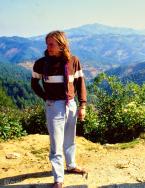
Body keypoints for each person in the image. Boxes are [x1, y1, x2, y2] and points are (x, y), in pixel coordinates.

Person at [31, 31, 87, 188]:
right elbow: (34, 83)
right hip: (54, 105)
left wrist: (82, 105)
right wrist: (46, 97)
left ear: (62, 45)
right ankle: (58, 178)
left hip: (71, 104)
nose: (48, 47)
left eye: (51, 44)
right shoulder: (41, 63)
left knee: (70, 138)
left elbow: (80, 83)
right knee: (56, 143)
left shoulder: (74, 61)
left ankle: (71, 165)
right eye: (47, 44)